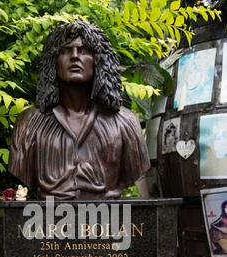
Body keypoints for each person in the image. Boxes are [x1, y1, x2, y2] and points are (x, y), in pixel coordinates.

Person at [9, 20, 150, 200]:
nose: (75, 56)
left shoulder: (126, 122)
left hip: (109, 222)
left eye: (84, 51)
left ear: (98, 60)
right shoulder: (29, 122)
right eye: (66, 50)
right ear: (53, 61)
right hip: (47, 222)